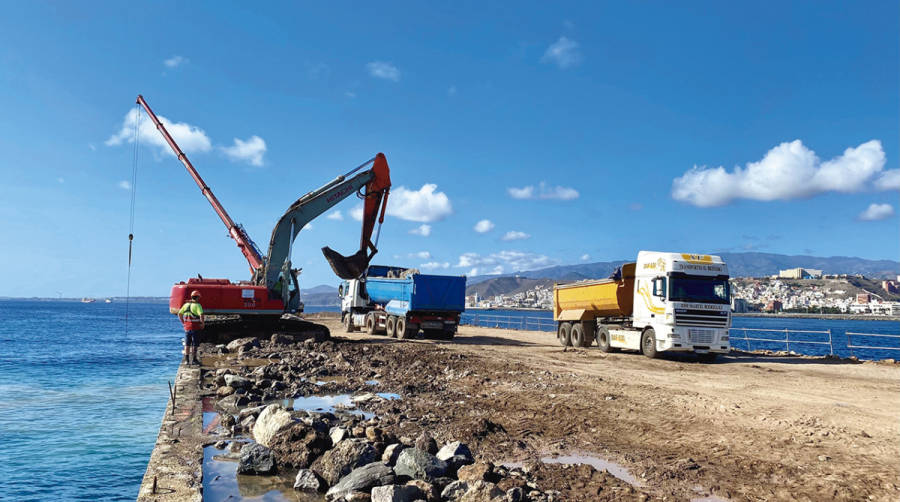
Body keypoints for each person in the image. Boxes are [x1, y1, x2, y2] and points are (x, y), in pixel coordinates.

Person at [177, 290, 205, 365]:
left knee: (187, 344)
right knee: (195, 345)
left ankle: (186, 360)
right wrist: (202, 324)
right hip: (195, 328)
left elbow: (179, 314)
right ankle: (194, 360)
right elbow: (201, 315)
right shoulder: (197, 305)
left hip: (187, 328)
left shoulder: (186, 305)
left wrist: (183, 322)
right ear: (198, 297)